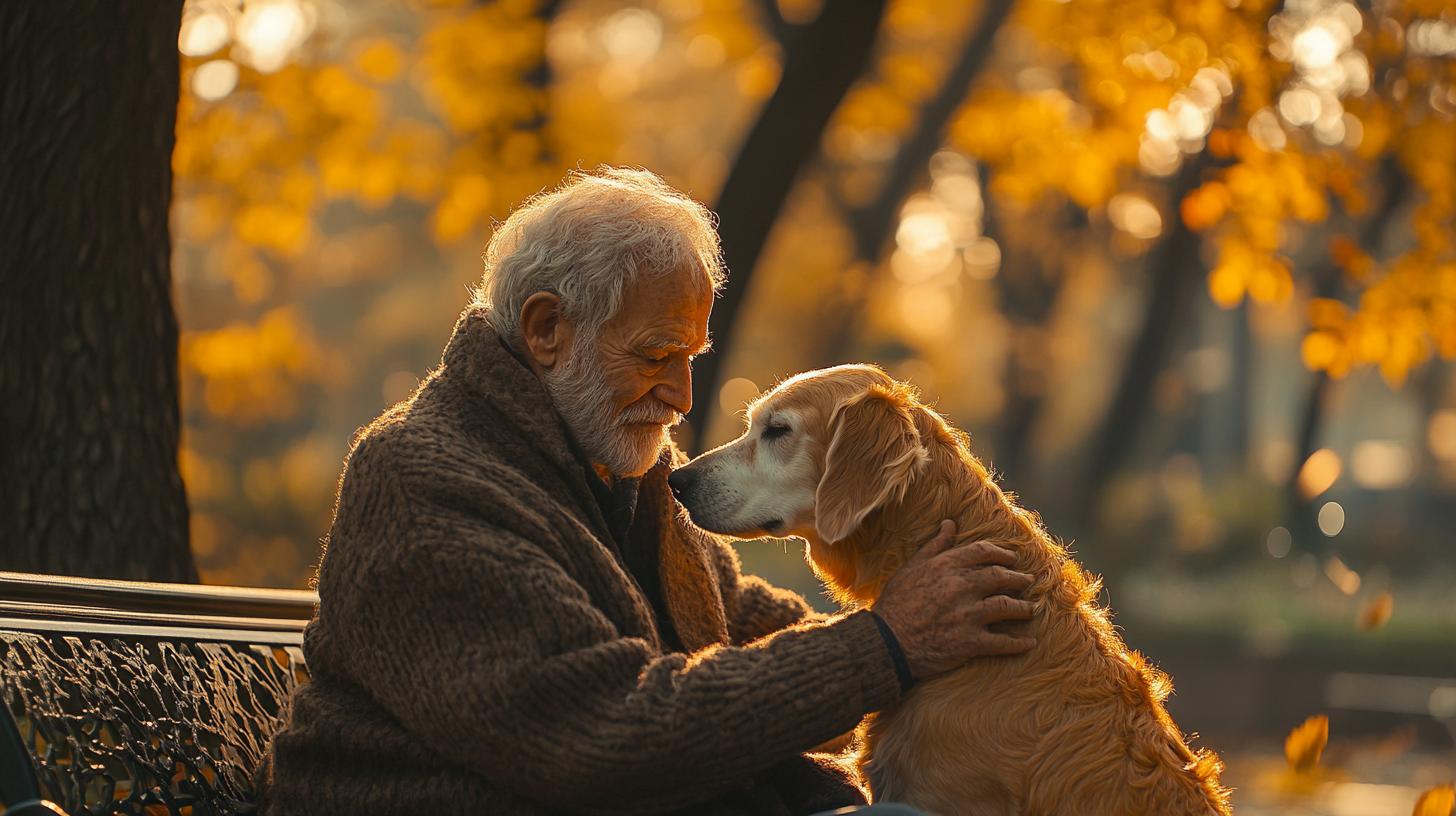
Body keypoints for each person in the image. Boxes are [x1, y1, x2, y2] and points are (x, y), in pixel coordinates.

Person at [256, 166, 1036, 816]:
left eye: (692, 355)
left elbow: (744, 628)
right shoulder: (423, 481)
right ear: (546, 330)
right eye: (659, 353)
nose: (683, 396)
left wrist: (956, 640)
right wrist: (888, 645)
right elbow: (602, 734)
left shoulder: (619, 469)